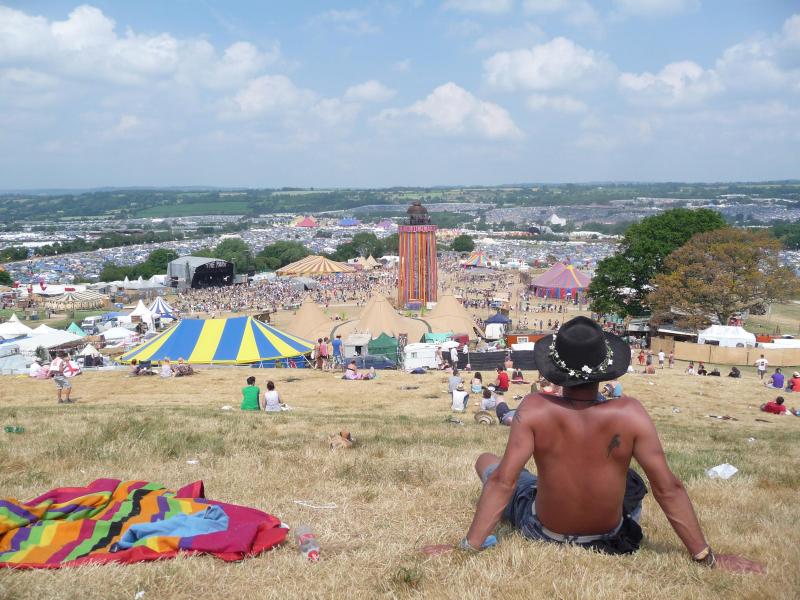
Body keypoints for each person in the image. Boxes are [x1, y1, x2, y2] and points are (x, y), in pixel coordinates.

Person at [447, 316, 763, 573]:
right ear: (606, 367)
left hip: (543, 529)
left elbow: (504, 480)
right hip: (610, 536)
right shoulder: (631, 413)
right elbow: (669, 488)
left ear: (555, 370)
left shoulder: (534, 408)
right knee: (632, 482)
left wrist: (468, 547)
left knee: (486, 461)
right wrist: (705, 556)